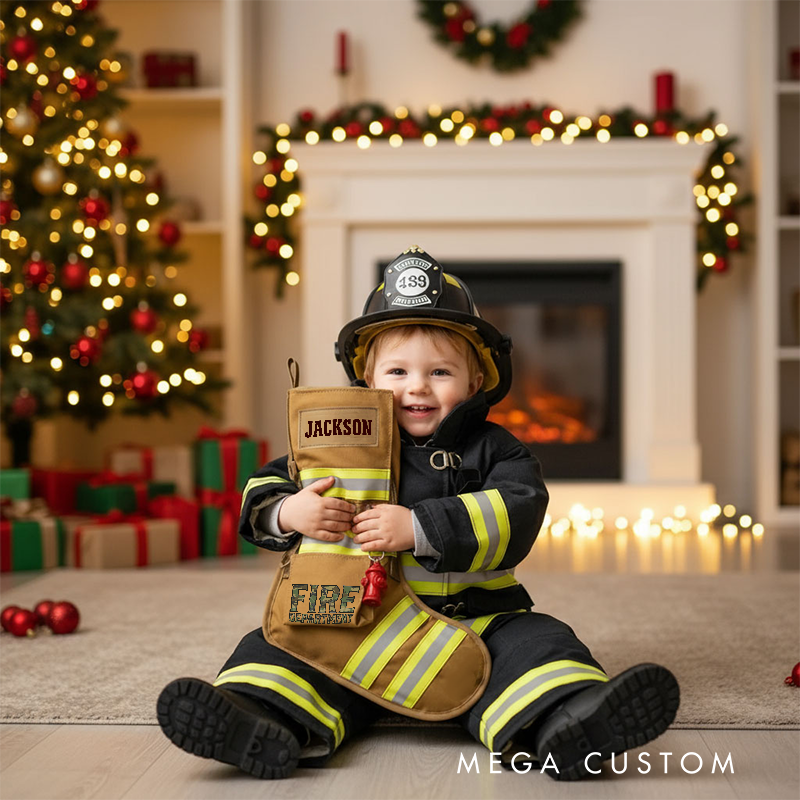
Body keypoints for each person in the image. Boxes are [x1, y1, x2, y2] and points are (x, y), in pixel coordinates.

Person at [157, 246, 679, 781]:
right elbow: (266, 483)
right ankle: (252, 717)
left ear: (476, 381)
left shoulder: (496, 449)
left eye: (440, 371)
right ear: (366, 377)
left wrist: (419, 527)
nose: (417, 386)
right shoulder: (337, 440)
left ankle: (571, 721)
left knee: (540, 643)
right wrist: (290, 511)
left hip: (475, 622)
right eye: (398, 370)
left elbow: (521, 508)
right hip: (349, 625)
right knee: (277, 647)